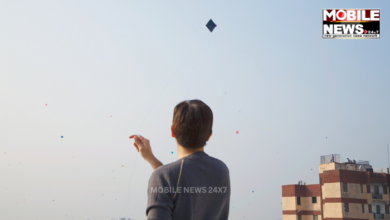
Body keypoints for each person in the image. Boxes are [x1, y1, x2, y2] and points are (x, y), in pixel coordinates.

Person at [130, 100, 231, 220]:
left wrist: (158, 171)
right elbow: (179, 181)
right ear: (209, 135)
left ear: (172, 131)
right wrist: (152, 160)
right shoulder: (221, 169)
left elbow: (174, 180)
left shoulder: (163, 176)